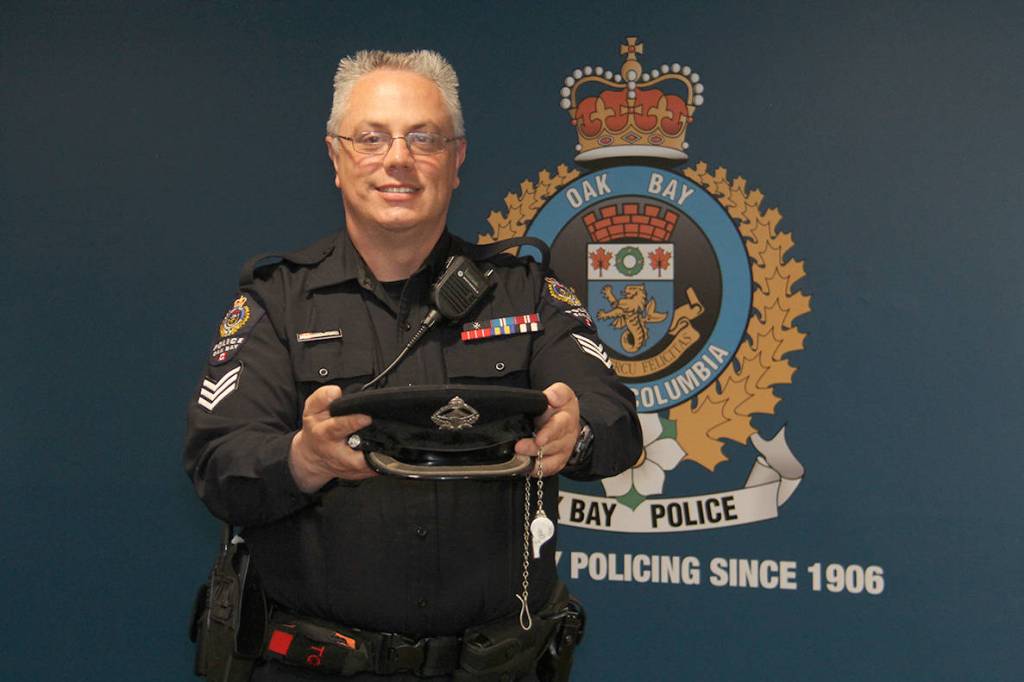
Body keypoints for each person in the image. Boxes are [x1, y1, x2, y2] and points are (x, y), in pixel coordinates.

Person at [184, 49, 642, 681]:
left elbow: (616, 420)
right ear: (335, 157)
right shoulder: (276, 300)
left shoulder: (526, 291)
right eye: (370, 138)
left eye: (423, 138)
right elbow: (218, 463)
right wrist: (301, 459)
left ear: (456, 160)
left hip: (494, 667)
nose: (396, 158)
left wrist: (577, 432)